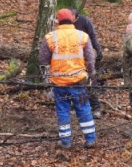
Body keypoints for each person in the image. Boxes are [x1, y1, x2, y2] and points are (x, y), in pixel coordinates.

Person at [39, 8, 97, 149]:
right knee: (83, 109)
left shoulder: (50, 37)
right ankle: (90, 140)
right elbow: (90, 58)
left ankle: (65, 141)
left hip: (59, 83)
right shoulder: (82, 36)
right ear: (72, 19)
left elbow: (42, 59)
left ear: (58, 21)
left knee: (63, 110)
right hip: (78, 81)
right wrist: (92, 72)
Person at [69, 8, 104, 119]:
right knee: (75, 83)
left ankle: (96, 108)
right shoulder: (65, 23)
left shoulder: (84, 21)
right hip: (72, 58)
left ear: (77, 17)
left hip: (85, 55)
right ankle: (78, 107)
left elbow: (92, 36)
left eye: (72, 18)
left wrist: (98, 50)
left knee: (89, 82)